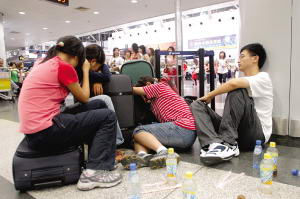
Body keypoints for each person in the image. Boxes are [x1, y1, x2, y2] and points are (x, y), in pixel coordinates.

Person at [18, 36, 122, 191]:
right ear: (75, 57)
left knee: (100, 104)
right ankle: (93, 174)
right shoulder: (64, 66)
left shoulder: (42, 62)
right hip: (46, 131)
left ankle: (99, 161)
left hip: (36, 131)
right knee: (108, 116)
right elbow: (84, 97)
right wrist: (86, 71)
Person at [190, 43, 273, 165]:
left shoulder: (263, 77)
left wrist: (209, 96)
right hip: (236, 132)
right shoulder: (243, 80)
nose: (238, 60)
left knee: (236, 89)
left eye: (242, 56)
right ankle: (213, 144)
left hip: (256, 136)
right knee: (196, 104)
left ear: (255, 58)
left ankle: (228, 143)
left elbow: (233, 84)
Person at [120, 76, 197, 169]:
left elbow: (133, 90)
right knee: (140, 137)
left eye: (144, 95)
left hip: (183, 128)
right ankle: (142, 156)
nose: (145, 99)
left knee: (138, 130)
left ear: (148, 84)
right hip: (183, 136)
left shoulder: (159, 87)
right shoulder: (155, 103)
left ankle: (164, 152)